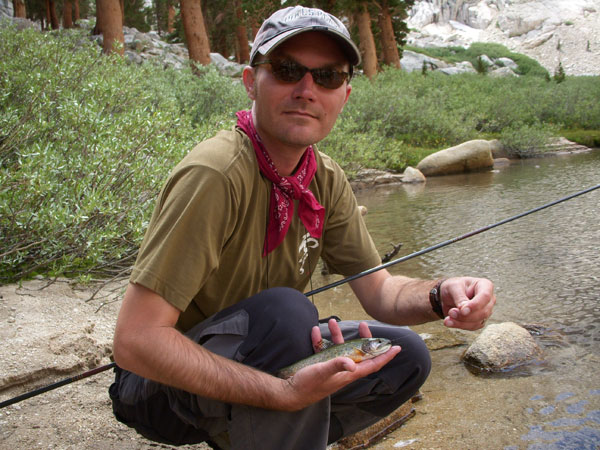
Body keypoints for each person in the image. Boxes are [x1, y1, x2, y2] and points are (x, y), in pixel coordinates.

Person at [109, 6, 496, 450]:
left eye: (328, 76)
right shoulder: (215, 174)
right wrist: (284, 395)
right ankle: (274, 430)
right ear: (251, 82)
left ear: (345, 95)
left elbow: (384, 296)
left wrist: (442, 293)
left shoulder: (323, 177)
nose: (307, 90)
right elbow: (136, 343)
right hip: (156, 393)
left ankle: (258, 434)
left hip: (253, 358)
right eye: (288, 70)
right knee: (289, 314)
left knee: (403, 355)